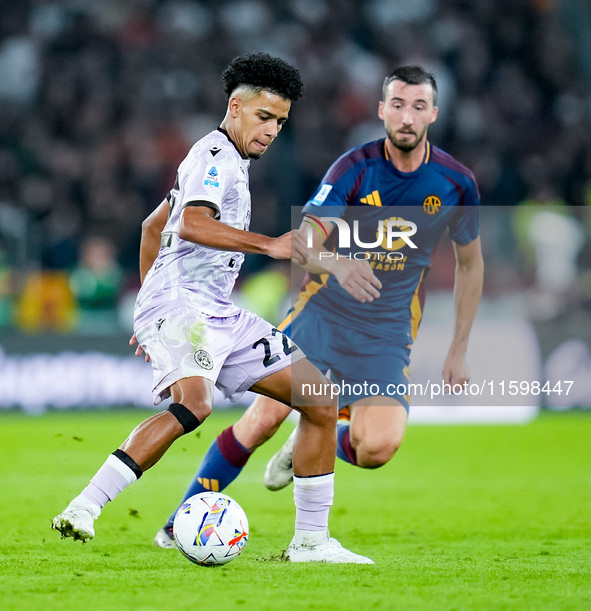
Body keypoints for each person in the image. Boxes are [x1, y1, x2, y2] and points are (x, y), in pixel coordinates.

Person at [52, 53, 373, 564]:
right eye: (264, 117)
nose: (271, 131)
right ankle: (85, 507)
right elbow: (193, 225)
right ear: (235, 107)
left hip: (212, 309)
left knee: (319, 399)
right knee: (195, 405)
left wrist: (149, 302)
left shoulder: (228, 163)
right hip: (186, 305)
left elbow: (153, 228)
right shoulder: (214, 156)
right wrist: (263, 248)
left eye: (280, 123)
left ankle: (312, 542)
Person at [154, 65, 484, 549]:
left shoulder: (456, 183)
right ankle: (177, 524)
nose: (407, 116)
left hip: (388, 333)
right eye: (397, 104)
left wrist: (458, 348)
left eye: (418, 106)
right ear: (381, 110)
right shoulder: (353, 168)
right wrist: (338, 263)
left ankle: (313, 439)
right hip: (322, 316)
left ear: (433, 113)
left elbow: (471, 265)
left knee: (377, 448)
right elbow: (306, 239)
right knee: (261, 418)